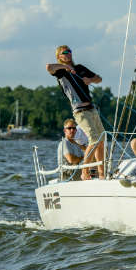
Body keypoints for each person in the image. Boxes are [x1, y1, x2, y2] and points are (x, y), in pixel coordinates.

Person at [46, 45, 105, 180]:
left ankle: (102, 174)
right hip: (80, 111)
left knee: (101, 140)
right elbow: (49, 67)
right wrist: (65, 67)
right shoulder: (61, 72)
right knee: (94, 139)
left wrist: (90, 80)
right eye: (64, 52)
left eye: (69, 51)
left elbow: (99, 78)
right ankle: (85, 172)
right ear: (59, 57)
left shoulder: (80, 68)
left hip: (92, 109)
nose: (67, 54)